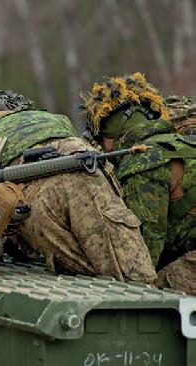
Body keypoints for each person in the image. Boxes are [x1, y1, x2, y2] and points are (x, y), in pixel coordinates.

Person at [0, 89, 157, 283]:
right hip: (94, 173)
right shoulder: (50, 119)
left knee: (101, 286)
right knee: (139, 283)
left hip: (43, 198)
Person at [82, 72, 195, 294]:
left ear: (111, 136)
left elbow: (144, 255)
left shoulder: (143, 161)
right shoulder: (180, 144)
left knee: (147, 287)